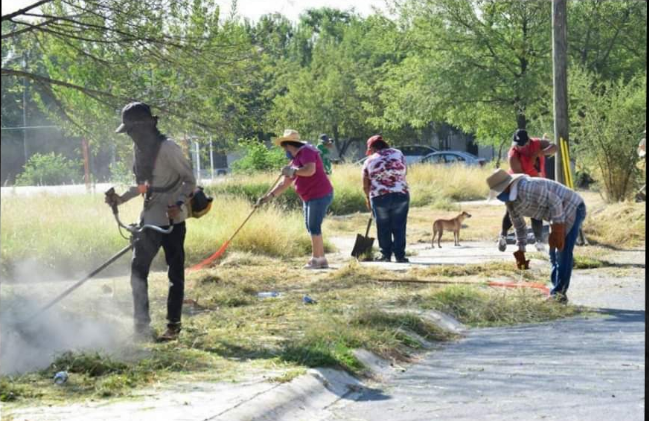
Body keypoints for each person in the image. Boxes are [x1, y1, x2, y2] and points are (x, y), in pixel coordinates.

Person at [106, 102, 196, 341]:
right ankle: (142, 327)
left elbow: (190, 181)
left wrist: (178, 204)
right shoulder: (140, 151)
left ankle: (173, 327)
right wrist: (121, 198)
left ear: (144, 127)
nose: (131, 136)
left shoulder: (168, 148)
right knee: (138, 270)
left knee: (175, 274)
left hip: (173, 220)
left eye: (132, 130)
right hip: (149, 219)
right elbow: (145, 185)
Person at [487, 168, 586, 303]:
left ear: (508, 185)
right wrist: (521, 250)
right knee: (553, 254)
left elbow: (556, 201)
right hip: (556, 215)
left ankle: (559, 294)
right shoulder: (510, 202)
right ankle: (556, 291)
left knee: (562, 252)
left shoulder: (527, 188)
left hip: (572, 207)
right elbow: (519, 226)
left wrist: (558, 229)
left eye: (500, 190)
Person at [256, 129, 334, 269]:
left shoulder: (307, 152)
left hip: (319, 194)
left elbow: (310, 170)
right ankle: (321, 258)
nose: (284, 150)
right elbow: (284, 183)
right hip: (309, 196)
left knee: (314, 226)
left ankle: (316, 259)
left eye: (284, 147)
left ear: (289, 145)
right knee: (311, 227)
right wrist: (267, 198)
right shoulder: (295, 160)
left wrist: (293, 171)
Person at [498, 129, 558, 253]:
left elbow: (555, 147)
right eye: (517, 145)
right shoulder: (513, 155)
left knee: (537, 212)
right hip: (518, 183)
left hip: (537, 181)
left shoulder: (536, 143)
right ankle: (503, 236)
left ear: (528, 142)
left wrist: (541, 153)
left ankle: (539, 241)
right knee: (512, 212)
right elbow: (520, 176)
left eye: (522, 145)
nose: (519, 147)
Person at [362, 135, 410, 263]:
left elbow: (365, 184)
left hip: (379, 197)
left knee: (383, 226)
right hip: (401, 194)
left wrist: (368, 199)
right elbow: (405, 172)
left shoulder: (368, 161)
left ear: (372, 148)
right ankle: (400, 256)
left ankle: (385, 255)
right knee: (399, 226)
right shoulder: (398, 153)